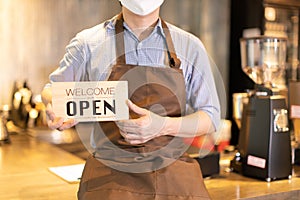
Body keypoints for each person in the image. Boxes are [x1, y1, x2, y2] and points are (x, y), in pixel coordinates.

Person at [42, 0, 221, 199]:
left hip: (173, 176)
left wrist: (163, 126)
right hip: (108, 179)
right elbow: (52, 90)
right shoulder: (88, 43)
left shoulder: (190, 46)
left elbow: (210, 116)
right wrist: (55, 106)